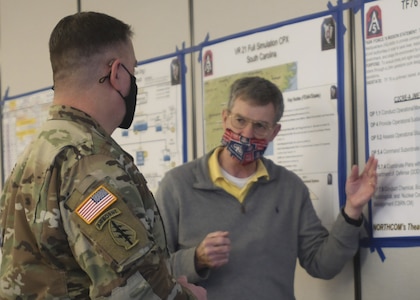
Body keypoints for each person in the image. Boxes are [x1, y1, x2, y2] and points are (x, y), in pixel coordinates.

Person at [0, 12, 206, 300]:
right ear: (117, 73)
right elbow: (133, 292)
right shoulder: (90, 162)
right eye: (134, 70)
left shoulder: (36, 153)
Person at [155, 76, 378, 300]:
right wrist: (195, 259)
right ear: (225, 118)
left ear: (274, 132)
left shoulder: (290, 188)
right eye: (240, 121)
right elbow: (149, 271)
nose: (247, 135)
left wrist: (352, 210)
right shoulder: (177, 186)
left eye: (260, 126)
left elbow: (321, 264)